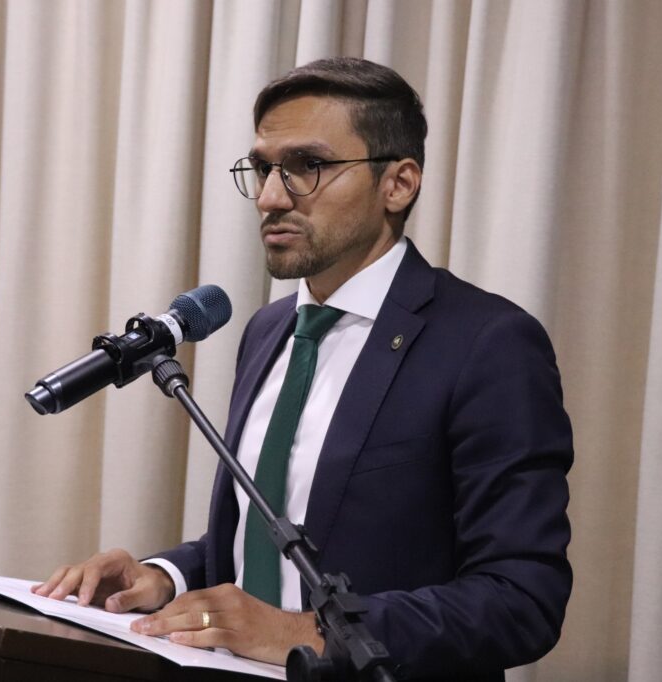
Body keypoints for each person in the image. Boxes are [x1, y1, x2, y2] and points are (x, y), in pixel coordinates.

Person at [33, 57, 573, 680]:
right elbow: (276, 538)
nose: (269, 197)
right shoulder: (268, 331)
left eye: (306, 166)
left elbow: (522, 598)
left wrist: (307, 634)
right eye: (263, 168)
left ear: (398, 184)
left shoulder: (487, 343)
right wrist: (163, 577)